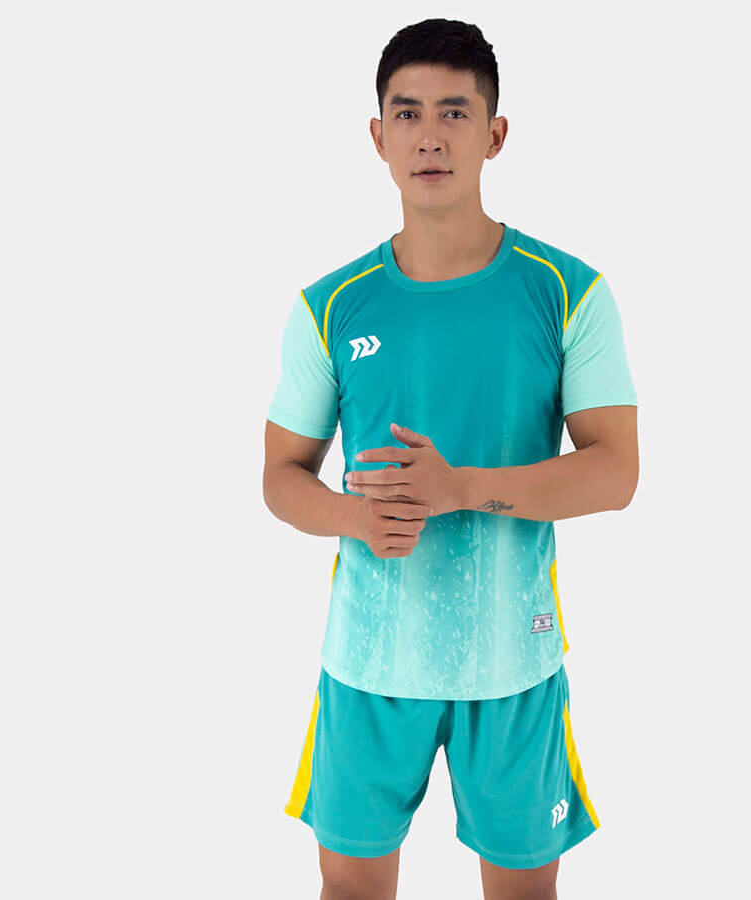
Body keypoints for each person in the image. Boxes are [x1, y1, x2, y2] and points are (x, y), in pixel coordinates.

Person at [263, 17, 639, 900]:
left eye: (454, 113)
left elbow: (616, 472)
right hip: (367, 669)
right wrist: (355, 516)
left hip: (513, 666)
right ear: (378, 135)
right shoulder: (330, 305)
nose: (428, 136)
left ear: (495, 134)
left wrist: (458, 488)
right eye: (407, 113)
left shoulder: (568, 291)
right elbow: (279, 477)